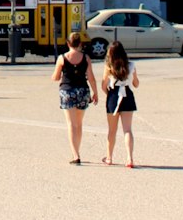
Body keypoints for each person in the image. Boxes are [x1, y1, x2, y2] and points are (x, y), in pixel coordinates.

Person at [52, 32, 98, 164]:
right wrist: (95, 93)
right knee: (79, 124)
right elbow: (91, 78)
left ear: (68, 43)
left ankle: (75, 155)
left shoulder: (62, 58)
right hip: (83, 91)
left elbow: (55, 77)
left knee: (71, 124)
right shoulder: (86, 58)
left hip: (67, 91)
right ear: (80, 44)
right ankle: (77, 150)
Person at [101, 41, 139, 168]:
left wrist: (110, 94)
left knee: (112, 130)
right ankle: (129, 158)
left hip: (113, 96)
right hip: (127, 95)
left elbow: (103, 85)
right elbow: (136, 84)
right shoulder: (131, 65)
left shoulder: (108, 67)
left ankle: (109, 157)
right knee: (127, 129)